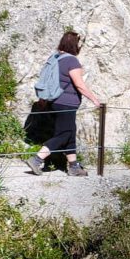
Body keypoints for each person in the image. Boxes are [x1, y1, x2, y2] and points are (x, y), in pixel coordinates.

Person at [24, 31, 101, 177]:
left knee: (69, 133)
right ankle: (37, 159)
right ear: (75, 45)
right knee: (64, 134)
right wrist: (94, 99)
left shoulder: (55, 57)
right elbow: (79, 84)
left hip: (54, 101)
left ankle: (73, 167)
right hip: (67, 103)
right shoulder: (72, 61)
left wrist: (43, 100)